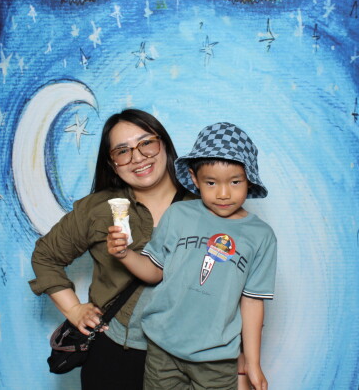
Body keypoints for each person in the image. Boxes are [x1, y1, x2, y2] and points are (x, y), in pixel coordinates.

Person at [29, 109, 196, 389]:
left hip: (187, 357)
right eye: (122, 151)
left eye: (146, 143)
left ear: (164, 144)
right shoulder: (98, 209)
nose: (138, 157)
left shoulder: (205, 208)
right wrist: (74, 309)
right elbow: (46, 256)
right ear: (112, 163)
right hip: (114, 355)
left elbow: (233, 287)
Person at [108, 122, 278, 390]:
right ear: (195, 178)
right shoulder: (178, 215)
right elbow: (155, 271)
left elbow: (253, 302)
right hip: (162, 348)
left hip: (217, 358)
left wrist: (253, 364)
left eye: (235, 182)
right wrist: (124, 254)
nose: (224, 193)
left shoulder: (261, 236)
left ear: (249, 179)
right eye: (211, 182)